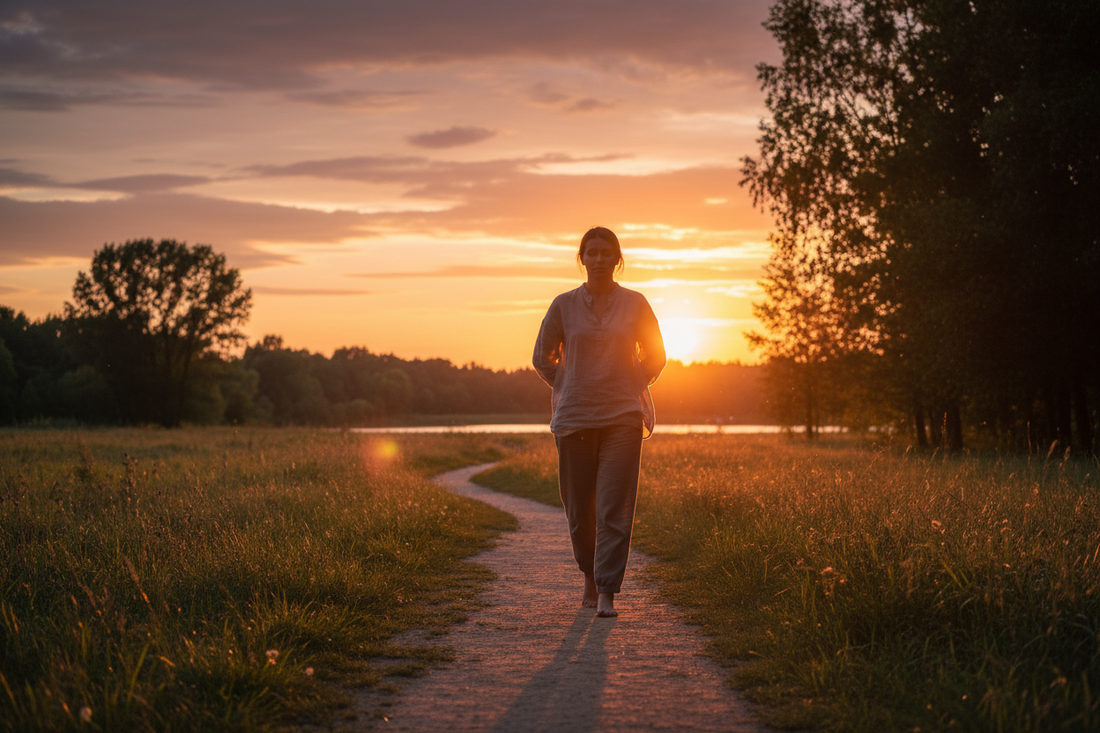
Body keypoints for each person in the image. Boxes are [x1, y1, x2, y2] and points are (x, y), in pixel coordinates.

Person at [532, 226, 666, 617]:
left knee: (614, 506)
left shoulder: (636, 303)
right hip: (574, 418)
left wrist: (629, 382)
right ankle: (589, 575)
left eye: (607, 253)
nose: (600, 259)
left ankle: (607, 589)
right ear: (582, 259)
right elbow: (543, 356)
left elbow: (656, 354)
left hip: (623, 416)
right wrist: (570, 384)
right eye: (592, 252)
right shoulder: (562, 305)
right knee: (580, 511)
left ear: (618, 259)